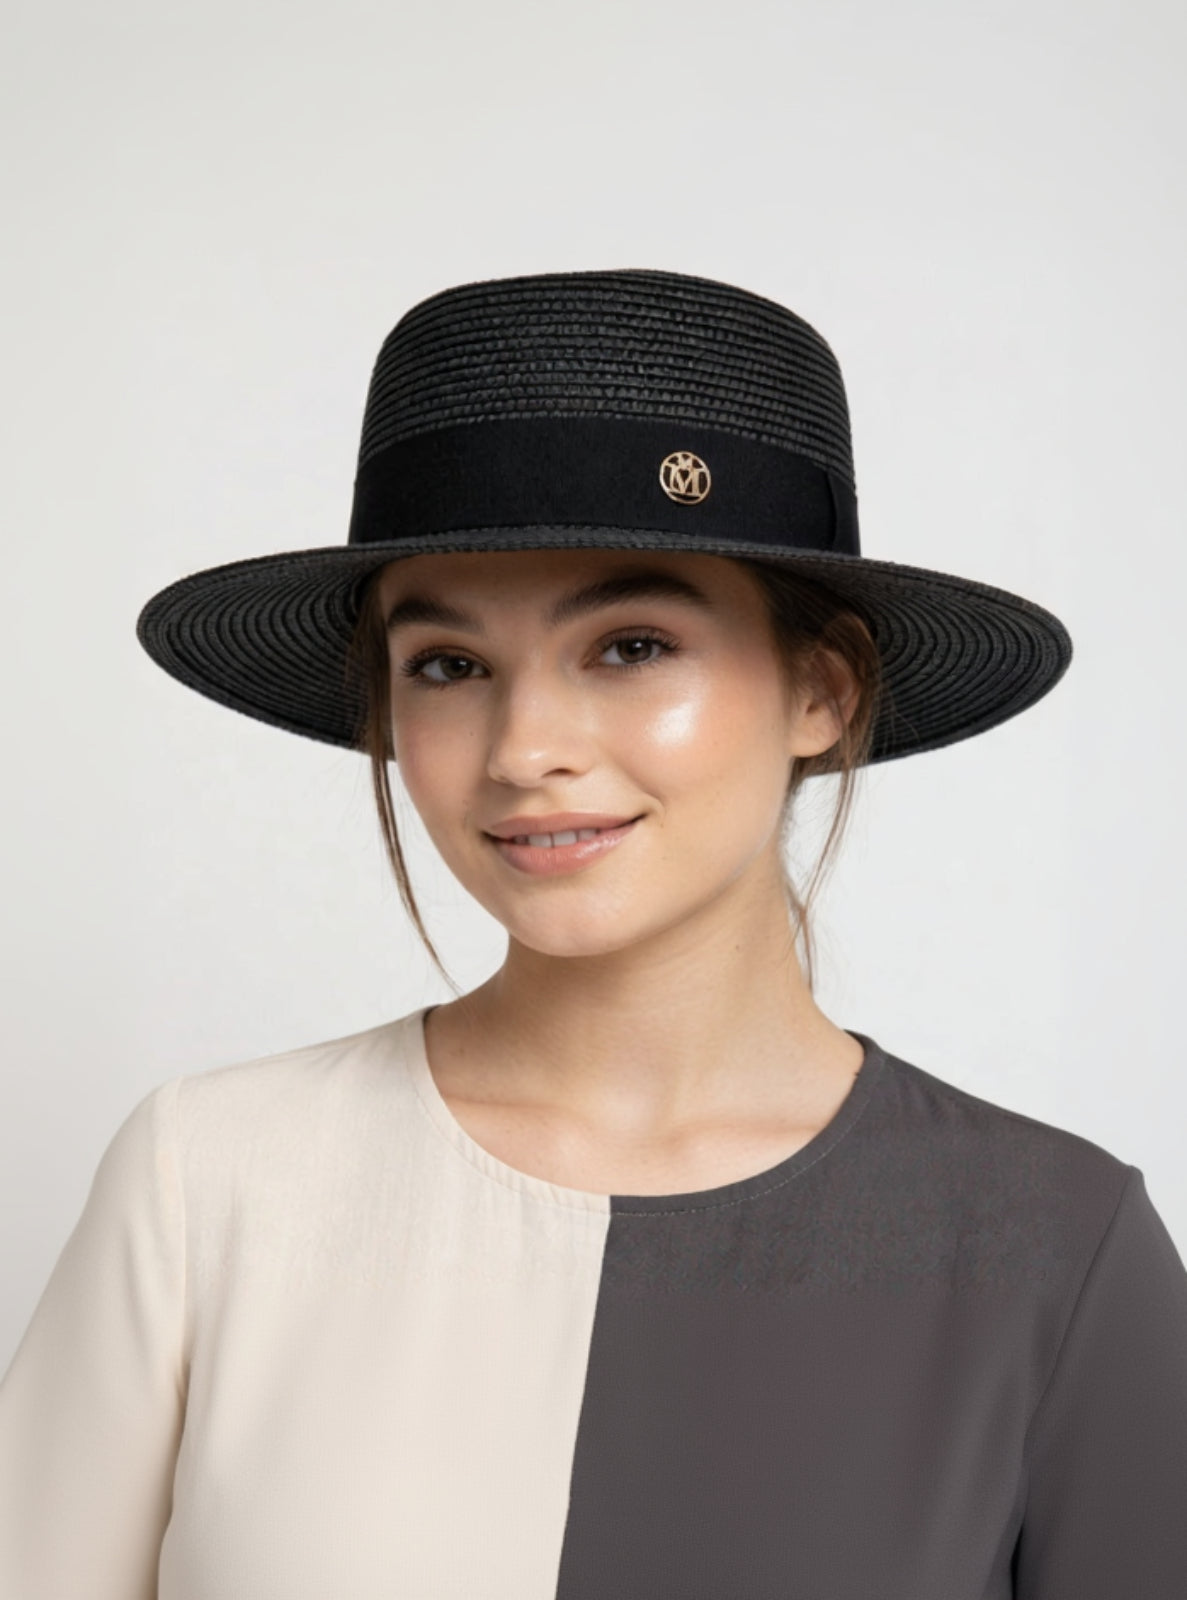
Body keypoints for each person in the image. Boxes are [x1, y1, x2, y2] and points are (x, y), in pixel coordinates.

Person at [1, 267, 1184, 1599]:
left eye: (630, 646)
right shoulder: (208, 1183)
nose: (526, 751)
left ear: (823, 690)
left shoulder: (1053, 1250)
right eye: (448, 666)